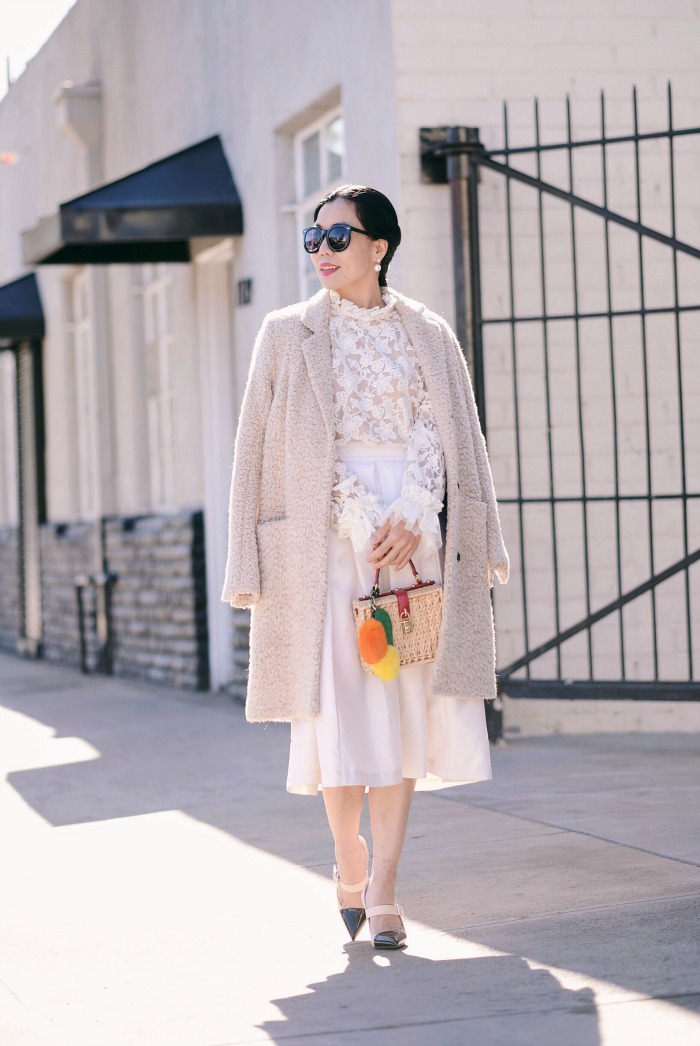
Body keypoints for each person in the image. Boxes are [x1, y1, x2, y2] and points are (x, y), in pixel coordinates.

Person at [222, 184, 508, 950]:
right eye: (313, 238)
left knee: (405, 700)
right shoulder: (287, 334)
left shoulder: (428, 332)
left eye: (339, 237)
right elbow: (257, 447)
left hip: (413, 531)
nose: (322, 251)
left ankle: (384, 885)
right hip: (323, 538)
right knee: (340, 704)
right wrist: (347, 515)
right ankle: (347, 854)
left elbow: (449, 432)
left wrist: (415, 510)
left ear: (379, 247)